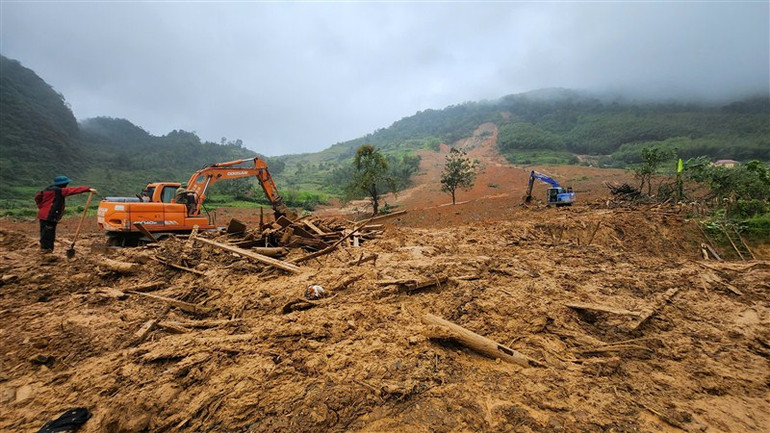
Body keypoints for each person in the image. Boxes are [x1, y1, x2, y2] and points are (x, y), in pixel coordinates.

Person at [35, 175, 96, 253]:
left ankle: (45, 249)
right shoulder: (59, 191)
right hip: (50, 215)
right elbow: (72, 190)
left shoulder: (47, 190)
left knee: (44, 232)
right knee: (49, 233)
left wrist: (42, 207)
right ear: (63, 184)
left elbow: (38, 198)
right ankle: (46, 250)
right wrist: (88, 189)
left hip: (43, 215)